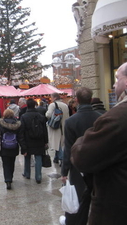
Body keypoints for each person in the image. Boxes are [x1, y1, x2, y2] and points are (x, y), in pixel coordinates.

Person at [71, 62, 127, 225]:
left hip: (117, 208)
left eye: (117, 78)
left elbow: (83, 157)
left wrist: (80, 141)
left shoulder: (119, 116)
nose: (114, 84)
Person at [61, 87, 101, 225]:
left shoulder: (71, 121)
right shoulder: (101, 118)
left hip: (78, 166)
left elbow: (68, 148)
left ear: (76, 100)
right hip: (98, 165)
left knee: (79, 200)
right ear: (91, 100)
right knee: (97, 199)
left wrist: (64, 171)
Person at [20, 98, 48, 184]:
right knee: (38, 157)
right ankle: (38, 176)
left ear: (27, 105)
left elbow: (22, 131)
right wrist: (46, 141)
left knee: (27, 157)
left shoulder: (24, 117)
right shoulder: (41, 116)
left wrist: (22, 144)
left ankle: (27, 173)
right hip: (39, 140)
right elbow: (45, 130)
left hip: (28, 140)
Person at [0, 109, 22, 190]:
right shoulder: (17, 124)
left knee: (5, 164)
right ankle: (11, 177)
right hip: (14, 146)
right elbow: (20, 136)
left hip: (4, 146)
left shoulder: (1, 124)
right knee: (12, 163)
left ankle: (7, 180)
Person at [46, 92, 69, 166]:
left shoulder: (52, 105)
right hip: (64, 126)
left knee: (57, 143)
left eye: (51, 97)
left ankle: (61, 158)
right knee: (59, 142)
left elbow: (48, 115)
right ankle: (56, 158)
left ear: (55, 98)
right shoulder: (65, 105)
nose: (51, 99)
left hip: (55, 126)